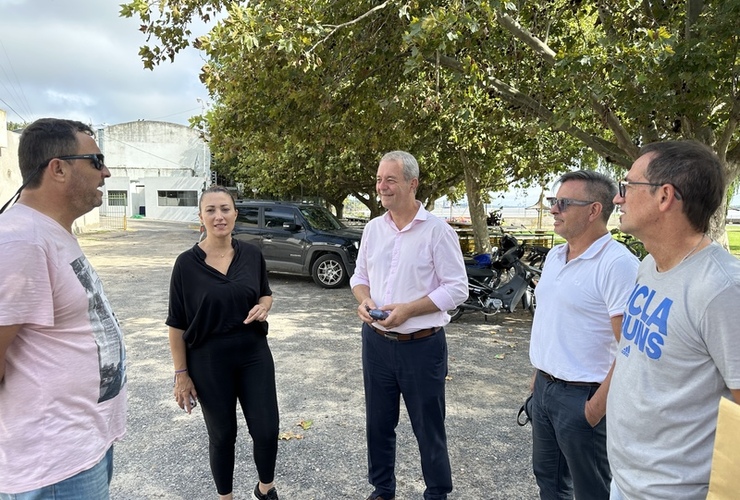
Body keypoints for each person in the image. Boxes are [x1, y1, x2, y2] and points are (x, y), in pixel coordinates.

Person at [0, 118, 127, 498]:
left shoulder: (49, 232)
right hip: (52, 463)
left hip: (82, 444)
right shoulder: (20, 240)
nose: (105, 172)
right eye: (96, 160)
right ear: (58, 168)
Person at [607, 140, 740, 499]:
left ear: (664, 196)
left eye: (627, 186)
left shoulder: (722, 288)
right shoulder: (648, 265)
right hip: (624, 482)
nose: (618, 198)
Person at [350, 151, 468, 500]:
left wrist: (410, 311)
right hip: (376, 343)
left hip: (422, 345)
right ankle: (382, 490)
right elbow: (359, 277)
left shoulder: (438, 231)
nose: (381, 187)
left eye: (390, 180)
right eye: (378, 180)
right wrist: (365, 301)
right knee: (379, 424)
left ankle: (436, 493)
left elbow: (457, 288)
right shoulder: (373, 229)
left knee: (428, 427)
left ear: (412, 184)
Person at [528, 170, 639, 499]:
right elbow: (553, 322)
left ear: (594, 210)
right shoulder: (554, 256)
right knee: (548, 482)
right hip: (546, 392)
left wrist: (595, 409)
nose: (553, 209)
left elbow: (631, 350)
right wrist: (539, 378)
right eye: (553, 201)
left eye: (563, 203)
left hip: (584, 397)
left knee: (592, 491)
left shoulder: (617, 265)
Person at [166, 185, 280, 500]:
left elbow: (265, 292)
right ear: (200, 217)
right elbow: (176, 325)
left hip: (253, 352)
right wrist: (181, 374)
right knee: (223, 435)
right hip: (209, 360)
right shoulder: (186, 265)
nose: (219, 216)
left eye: (225, 209)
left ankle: (265, 488)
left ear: (235, 213)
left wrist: (265, 306)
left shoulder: (252, 254)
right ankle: (225, 497)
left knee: (267, 429)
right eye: (211, 210)